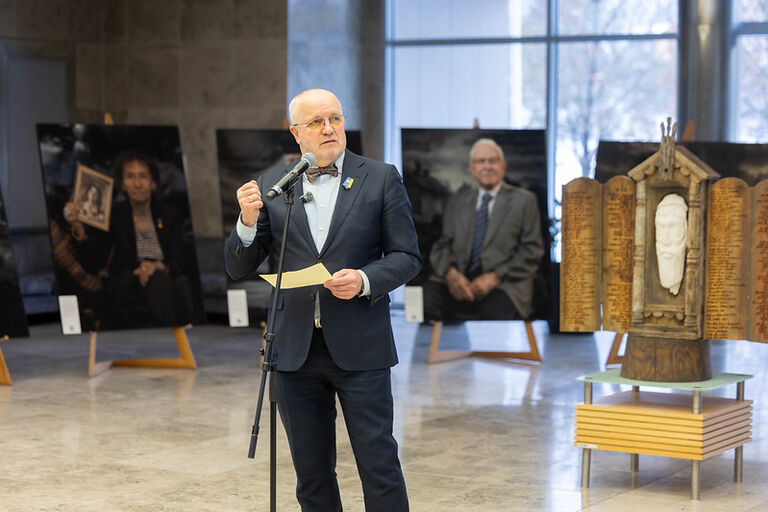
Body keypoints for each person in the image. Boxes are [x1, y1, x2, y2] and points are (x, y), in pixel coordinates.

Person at [224, 88, 420, 512]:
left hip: (360, 346)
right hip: (294, 352)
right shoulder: (272, 188)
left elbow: (408, 257)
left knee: (379, 465)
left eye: (335, 118)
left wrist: (367, 279)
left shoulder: (381, 177)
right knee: (311, 475)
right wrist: (246, 221)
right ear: (296, 133)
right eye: (316, 122)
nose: (329, 128)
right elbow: (239, 268)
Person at [64, 151, 194, 329]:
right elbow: (95, 259)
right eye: (130, 177)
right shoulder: (113, 216)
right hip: (128, 282)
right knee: (159, 281)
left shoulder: (169, 215)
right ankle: (172, 340)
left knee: (182, 284)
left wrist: (158, 266)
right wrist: (79, 228)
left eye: (143, 177)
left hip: (165, 276)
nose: (138, 184)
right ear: (122, 183)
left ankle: (191, 341)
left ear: (153, 183)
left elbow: (181, 258)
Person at [425, 138, 544, 321]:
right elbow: (442, 245)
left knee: (491, 316)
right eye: (481, 161)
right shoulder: (457, 201)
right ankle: (434, 350)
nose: (487, 166)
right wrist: (451, 275)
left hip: (505, 283)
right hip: (460, 280)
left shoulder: (525, 201)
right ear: (472, 169)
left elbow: (531, 252)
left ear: (503, 166)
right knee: (427, 301)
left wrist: (494, 277)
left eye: (492, 160)